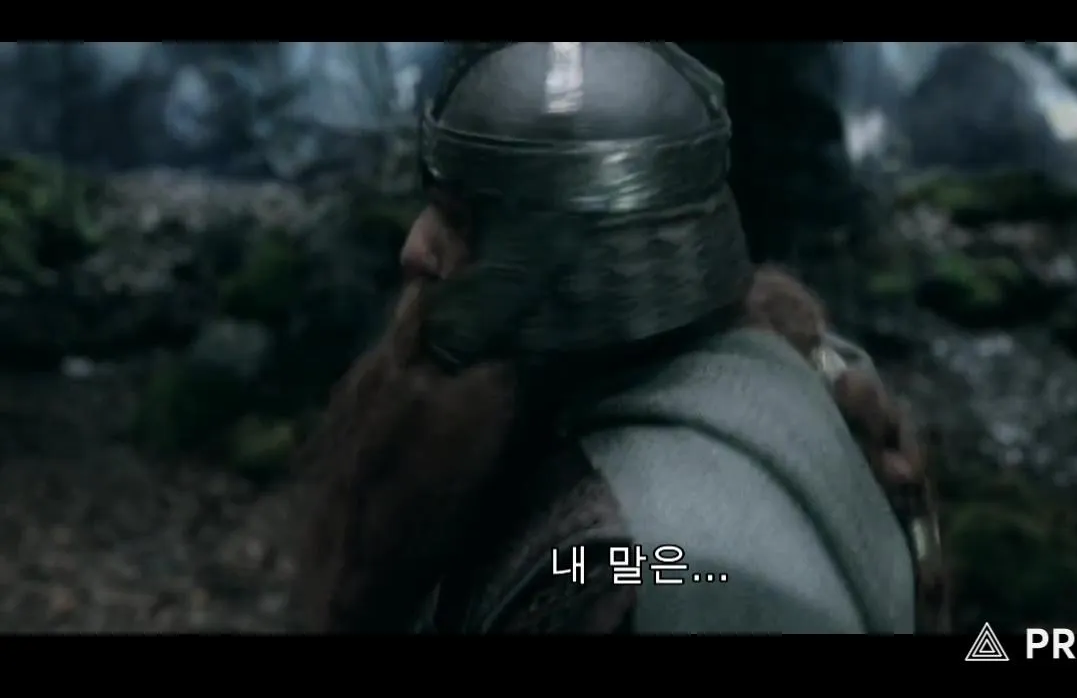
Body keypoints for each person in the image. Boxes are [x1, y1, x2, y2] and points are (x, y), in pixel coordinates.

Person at [293, 42, 941, 634]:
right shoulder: (779, 373)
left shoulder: (623, 568)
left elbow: (662, 574)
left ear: (582, 260)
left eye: (463, 221)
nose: (415, 247)